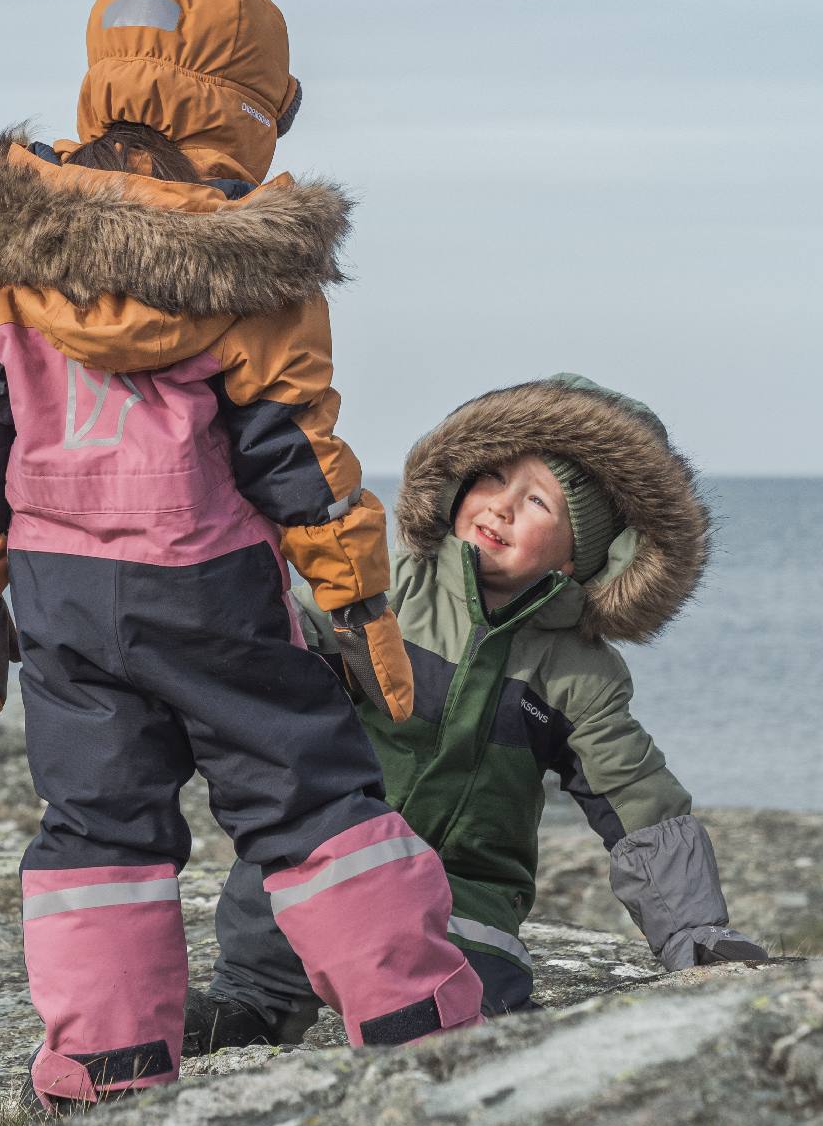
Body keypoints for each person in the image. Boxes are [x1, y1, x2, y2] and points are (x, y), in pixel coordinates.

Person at [0, 0, 484, 1113]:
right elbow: (296, 453)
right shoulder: (257, 267)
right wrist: (360, 599)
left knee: (95, 815)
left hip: (64, 591)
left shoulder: (3, 254)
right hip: (207, 581)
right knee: (308, 791)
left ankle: (106, 1060)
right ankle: (413, 1013)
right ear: (250, 104)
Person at [185, 373, 768, 1053]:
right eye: (491, 477)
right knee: (272, 909)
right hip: (331, 863)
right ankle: (249, 1006)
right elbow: (291, 640)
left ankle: (452, 1026)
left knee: (467, 1004)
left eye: (537, 502)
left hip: (464, 901)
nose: (500, 507)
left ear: (587, 551)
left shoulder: (580, 675)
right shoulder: (384, 588)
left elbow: (640, 803)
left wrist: (695, 934)